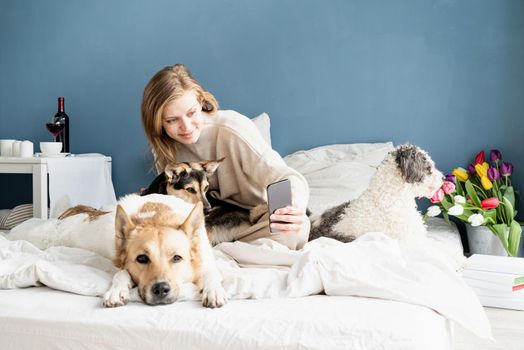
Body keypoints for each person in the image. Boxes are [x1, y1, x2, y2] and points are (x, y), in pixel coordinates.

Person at [140, 64, 310, 249]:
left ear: (201, 101)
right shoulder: (164, 147)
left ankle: (221, 252)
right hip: (209, 222)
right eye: (172, 120)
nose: (186, 127)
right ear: (158, 123)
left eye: (191, 113)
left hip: (254, 216)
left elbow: (284, 177)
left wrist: (293, 209)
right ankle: (234, 252)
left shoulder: (232, 128)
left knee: (292, 232)